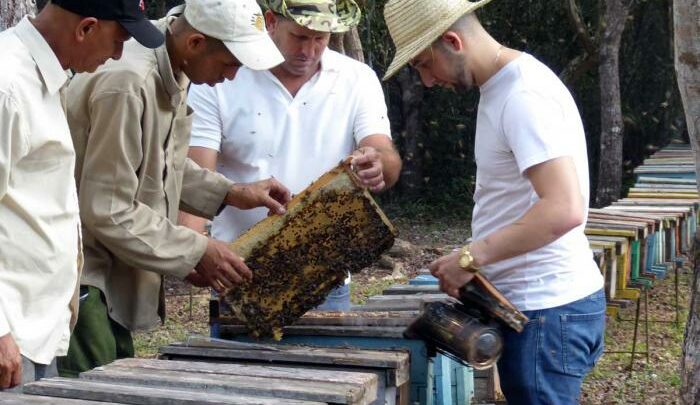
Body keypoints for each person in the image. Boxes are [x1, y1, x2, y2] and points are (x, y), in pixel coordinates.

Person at [382, 0, 606, 403]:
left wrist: (471, 257)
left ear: (453, 40)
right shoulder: (504, 86)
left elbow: (564, 207)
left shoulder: (523, 95)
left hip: (544, 311)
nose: (428, 81)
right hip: (536, 309)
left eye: (422, 64)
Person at [58, 0, 290, 377]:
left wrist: (231, 192)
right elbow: (107, 209)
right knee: (96, 391)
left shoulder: (173, 59)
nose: (232, 77)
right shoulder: (127, 82)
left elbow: (159, 160)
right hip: (85, 273)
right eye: (230, 64)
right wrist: (197, 249)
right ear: (196, 43)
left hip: (114, 271)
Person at [181, 0, 402, 310]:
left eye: (319, 39)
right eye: (299, 37)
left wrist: (377, 163)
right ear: (271, 21)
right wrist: (195, 247)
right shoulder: (223, 75)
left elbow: (384, 153)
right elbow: (195, 177)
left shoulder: (357, 78)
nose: (309, 51)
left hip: (326, 273)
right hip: (240, 272)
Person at [0, 0, 163, 391]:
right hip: (10, 336)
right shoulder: (8, 84)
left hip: (38, 332)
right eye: (119, 39)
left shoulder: (46, 76)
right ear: (86, 28)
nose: (120, 54)